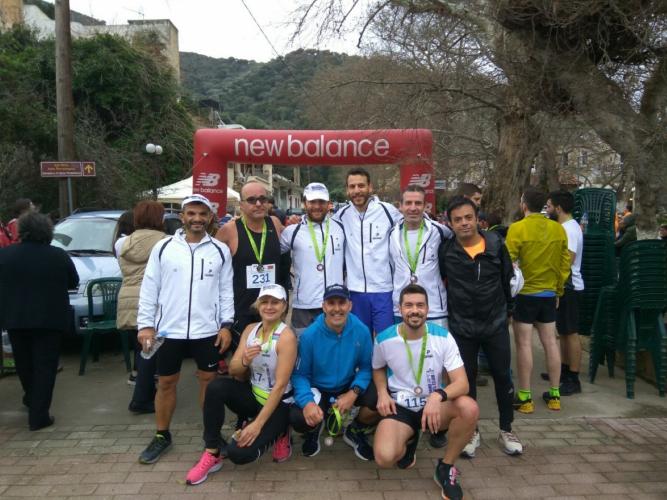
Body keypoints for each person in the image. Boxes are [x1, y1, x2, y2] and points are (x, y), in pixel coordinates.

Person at [136, 194, 234, 464]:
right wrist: (145, 325)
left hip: (207, 330)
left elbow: (226, 291)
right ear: (182, 217)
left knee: (209, 382)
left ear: (210, 217)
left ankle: (211, 436)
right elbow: (150, 287)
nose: (197, 219)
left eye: (202, 214)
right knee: (166, 382)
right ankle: (161, 435)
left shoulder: (220, 250)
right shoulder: (163, 247)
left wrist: (226, 325)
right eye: (191, 213)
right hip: (169, 330)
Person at [372, 284, 479, 500]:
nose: (415, 310)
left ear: (428, 309)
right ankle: (409, 440)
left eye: (420, 305)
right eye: (409, 305)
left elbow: (462, 383)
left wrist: (437, 395)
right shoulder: (384, 339)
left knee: (469, 408)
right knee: (384, 458)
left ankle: (446, 467)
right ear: (400, 309)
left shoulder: (443, 337)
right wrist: (382, 392)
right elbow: (378, 368)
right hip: (401, 406)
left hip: (434, 407)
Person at [185, 284, 297, 485]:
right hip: (253, 395)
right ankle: (212, 452)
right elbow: (234, 369)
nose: (269, 307)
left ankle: (282, 431)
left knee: (238, 454)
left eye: (275, 302)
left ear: (284, 307)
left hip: (278, 404)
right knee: (215, 387)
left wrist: (256, 426)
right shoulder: (250, 330)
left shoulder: (286, 337)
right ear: (258, 305)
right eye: (264, 302)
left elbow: (280, 386)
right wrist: (245, 360)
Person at [439, 197, 522, 457]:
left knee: (502, 376)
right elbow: (442, 280)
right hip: (462, 326)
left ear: (477, 219)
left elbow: (507, 280)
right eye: (457, 220)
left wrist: (508, 312)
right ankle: (471, 431)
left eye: (468, 217)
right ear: (450, 223)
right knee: (467, 379)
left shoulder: (496, 245)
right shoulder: (446, 251)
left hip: (495, 323)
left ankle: (506, 428)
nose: (464, 223)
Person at [0, 212, 79, 430]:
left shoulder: (5, 255)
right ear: (48, 231)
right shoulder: (58, 255)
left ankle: (31, 397)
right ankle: (39, 415)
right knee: (45, 366)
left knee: (24, 364)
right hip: (49, 319)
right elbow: (73, 281)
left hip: (16, 318)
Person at [290, 284, 377, 460]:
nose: (337, 309)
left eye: (342, 303)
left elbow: (366, 367)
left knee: (378, 397)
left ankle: (354, 430)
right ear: (323, 307)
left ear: (350, 305)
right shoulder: (309, 336)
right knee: (298, 418)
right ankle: (315, 428)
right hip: (320, 389)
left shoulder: (361, 330)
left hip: (347, 385)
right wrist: (308, 403)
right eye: (331, 303)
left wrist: (353, 392)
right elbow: (300, 375)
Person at [505, 188, 571, 413]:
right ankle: (555, 395)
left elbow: (508, 261)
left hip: (525, 295)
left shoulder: (517, 228)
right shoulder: (558, 229)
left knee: (523, 344)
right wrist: (558, 290)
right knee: (551, 342)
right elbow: (564, 263)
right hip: (549, 293)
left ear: (524, 204)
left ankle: (525, 398)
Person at [215, 181, 288, 351]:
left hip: (272, 308)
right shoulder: (229, 230)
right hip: (243, 309)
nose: (258, 203)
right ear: (241, 205)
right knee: (244, 360)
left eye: (263, 199)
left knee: (271, 356)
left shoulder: (275, 223)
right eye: (252, 200)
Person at [334, 168, 401, 334]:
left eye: (361, 185)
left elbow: (410, 224)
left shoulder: (388, 211)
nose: (357, 190)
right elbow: (322, 227)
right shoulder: (341, 215)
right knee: (360, 340)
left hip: (383, 289)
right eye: (352, 186)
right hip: (355, 291)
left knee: (386, 339)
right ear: (347, 190)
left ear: (370, 187)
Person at [116, 201, 166, 413]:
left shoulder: (122, 243)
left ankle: (144, 391)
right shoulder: (166, 242)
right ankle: (141, 398)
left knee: (142, 348)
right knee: (150, 350)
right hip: (152, 299)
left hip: (127, 297)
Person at [280, 182, 345, 335]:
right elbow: (271, 253)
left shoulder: (341, 227)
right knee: (304, 347)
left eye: (321, 202)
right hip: (304, 306)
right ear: (304, 203)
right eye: (312, 201)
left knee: (333, 347)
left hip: (334, 304)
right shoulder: (292, 230)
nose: (317, 206)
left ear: (328, 203)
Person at [389, 184, 451, 328]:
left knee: (437, 344)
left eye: (418, 203)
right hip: (402, 308)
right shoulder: (391, 234)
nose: (413, 208)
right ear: (400, 206)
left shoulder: (439, 231)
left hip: (434, 308)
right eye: (408, 203)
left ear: (425, 206)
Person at [545, 191, 585, 396]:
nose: (547, 210)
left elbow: (567, 260)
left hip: (569, 287)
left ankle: (574, 378)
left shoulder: (568, 229)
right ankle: (563, 370)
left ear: (558, 208)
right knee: (564, 332)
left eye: (549, 206)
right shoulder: (568, 227)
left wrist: (557, 287)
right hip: (565, 286)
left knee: (570, 333)